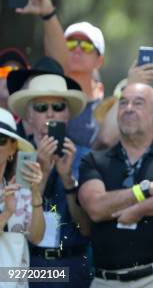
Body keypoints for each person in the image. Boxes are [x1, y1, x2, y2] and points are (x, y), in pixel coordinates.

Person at [78, 83, 153, 287]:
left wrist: (132, 208)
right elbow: (96, 208)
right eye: (123, 103)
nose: (128, 108)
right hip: (106, 281)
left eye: (138, 103)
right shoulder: (94, 160)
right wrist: (148, 189)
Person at [7, 72, 92, 287]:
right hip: (30, 262)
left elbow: (87, 227)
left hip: (72, 264)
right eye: (41, 108)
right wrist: (42, 170)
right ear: (28, 116)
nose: (50, 114)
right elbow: (19, 223)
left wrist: (67, 180)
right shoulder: (14, 155)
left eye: (58, 107)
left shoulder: (84, 158)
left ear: (68, 114)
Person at [15, 0, 106, 148]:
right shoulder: (45, 88)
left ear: (99, 61)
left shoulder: (106, 108)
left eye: (86, 46)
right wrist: (48, 14)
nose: (77, 49)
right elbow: (58, 59)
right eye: (70, 43)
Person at [0, 107, 44, 281]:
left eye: (0, 139)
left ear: (13, 149)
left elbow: (36, 237)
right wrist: (7, 214)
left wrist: (35, 195)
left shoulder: (21, 192)